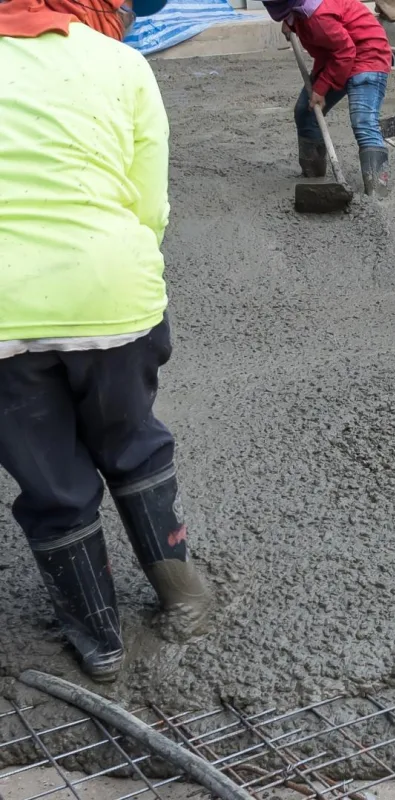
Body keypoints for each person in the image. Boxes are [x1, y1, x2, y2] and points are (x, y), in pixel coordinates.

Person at [0, 0, 213, 682]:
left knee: (51, 478)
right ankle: (182, 593)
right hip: (111, 293)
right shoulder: (120, 63)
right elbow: (148, 206)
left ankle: (99, 640)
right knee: (132, 440)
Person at [264, 0, 394, 196]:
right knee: (306, 112)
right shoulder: (303, 12)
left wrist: (322, 88)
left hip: (367, 54)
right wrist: (291, 22)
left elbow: (345, 52)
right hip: (336, 57)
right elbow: (337, 50)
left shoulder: (318, 17)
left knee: (363, 122)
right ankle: (314, 178)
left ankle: (377, 192)